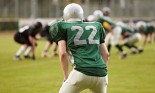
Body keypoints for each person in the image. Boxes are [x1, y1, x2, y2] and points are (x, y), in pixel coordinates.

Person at [49, 3, 109, 93]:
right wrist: (98, 70)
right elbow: (106, 54)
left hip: (81, 71)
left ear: (65, 16)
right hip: (101, 74)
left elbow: (62, 54)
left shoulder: (62, 26)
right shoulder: (97, 26)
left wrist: (66, 77)